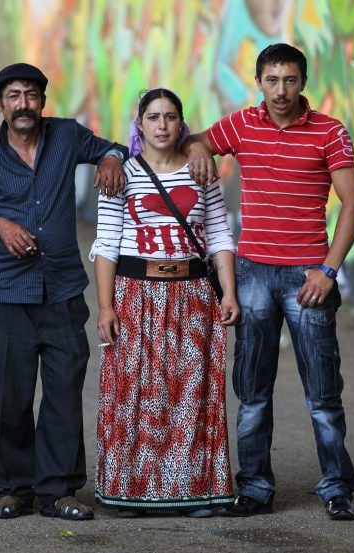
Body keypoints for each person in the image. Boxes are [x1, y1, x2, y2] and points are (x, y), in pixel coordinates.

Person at [185, 43, 354, 521]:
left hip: (309, 278)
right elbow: (193, 138)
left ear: (303, 81)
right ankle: (256, 487)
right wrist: (202, 150)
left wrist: (328, 271)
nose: (280, 90)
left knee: (323, 393)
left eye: (289, 80)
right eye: (271, 80)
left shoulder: (329, 132)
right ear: (259, 81)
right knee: (252, 391)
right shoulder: (242, 124)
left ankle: (335, 487)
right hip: (254, 275)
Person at [0, 62, 128, 521]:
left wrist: (112, 157)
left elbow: (113, 146)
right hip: (8, 293)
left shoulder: (67, 136)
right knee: (8, 397)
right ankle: (15, 487)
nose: (23, 103)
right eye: (13, 96)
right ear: (0, 106)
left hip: (62, 289)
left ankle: (58, 492)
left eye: (31, 94)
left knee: (62, 392)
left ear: (42, 102)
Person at [90, 88, 241, 518]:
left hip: (193, 295)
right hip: (136, 293)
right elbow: (106, 245)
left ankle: (193, 490)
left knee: (192, 393)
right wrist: (105, 307)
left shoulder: (201, 171)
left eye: (170, 117)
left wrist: (228, 292)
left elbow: (219, 236)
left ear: (181, 124)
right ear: (139, 125)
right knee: (137, 393)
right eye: (153, 117)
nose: (162, 125)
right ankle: (133, 491)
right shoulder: (121, 174)